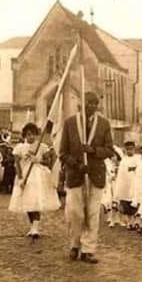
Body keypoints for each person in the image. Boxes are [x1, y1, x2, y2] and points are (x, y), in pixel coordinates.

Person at [59, 92, 114, 264]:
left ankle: (88, 249)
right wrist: (76, 164)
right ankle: (75, 245)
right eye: (89, 103)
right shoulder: (70, 123)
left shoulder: (104, 124)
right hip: (76, 174)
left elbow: (109, 150)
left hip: (96, 174)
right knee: (75, 213)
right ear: (81, 104)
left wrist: (93, 151)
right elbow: (62, 153)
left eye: (95, 103)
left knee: (92, 213)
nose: (92, 106)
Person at [8, 123, 60, 239]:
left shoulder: (41, 147)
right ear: (25, 135)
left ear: (36, 135)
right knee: (27, 202)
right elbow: (17, 164)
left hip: (39, 176)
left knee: (36, 200)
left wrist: (38, 160)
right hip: (25, 175)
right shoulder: (20, 148)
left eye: (33, 135)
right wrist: (20, 178)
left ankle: (36, 227)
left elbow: (49, 163)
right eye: (28, 135)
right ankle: (32, 226)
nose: (31, 137)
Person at [113, 141, 140, 229]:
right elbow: (121, 175)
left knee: (135, 205)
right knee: (126, 206)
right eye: (127, 149)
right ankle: (129, 222)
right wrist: (119, 188)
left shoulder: (138, 159)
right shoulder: (123, 161)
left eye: (131, 149)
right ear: (125, 150)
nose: (129, 151)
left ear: (134, 149)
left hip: (135, 184)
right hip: (126, 186)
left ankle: (134, 222)